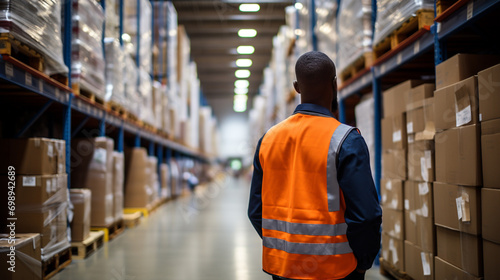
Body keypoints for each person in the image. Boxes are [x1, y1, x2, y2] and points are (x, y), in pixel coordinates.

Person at [248, 51, 382, 280]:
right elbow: (366, 217)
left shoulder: (268, 139)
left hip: (283, 268)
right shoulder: (346, 140)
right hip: (336, 270)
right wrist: (363, 263)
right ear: (335, 84)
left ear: (296, 87)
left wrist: (287, 250)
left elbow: (256, 211)